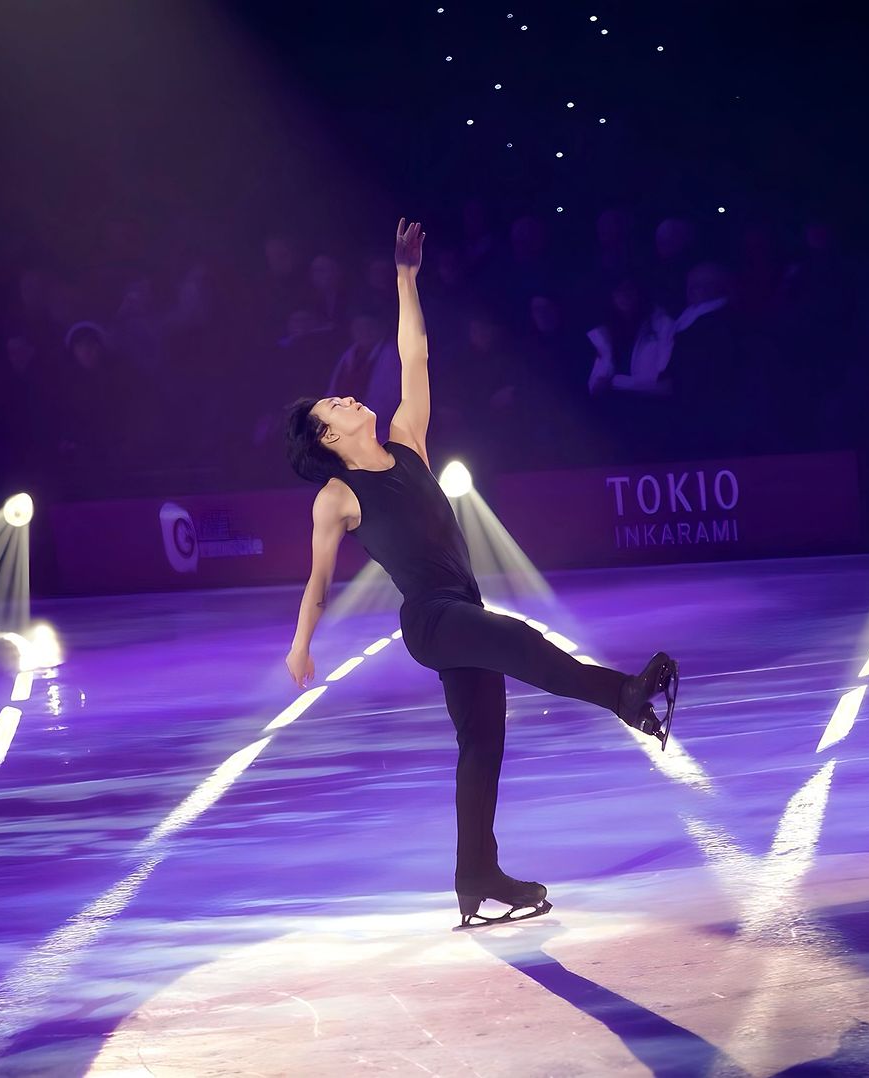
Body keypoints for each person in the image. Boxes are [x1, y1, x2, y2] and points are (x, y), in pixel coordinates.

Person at [283, 219, 679, 929]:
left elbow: (416, 356)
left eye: (341, 396)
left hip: (460, 606)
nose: (345, 399)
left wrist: (406, 279)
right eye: (333, 407)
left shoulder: (407, 441)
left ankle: (477, 874)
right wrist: (300, 644)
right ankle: (623, 696)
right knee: (521, 644)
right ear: (328, 439)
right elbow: (317, 584)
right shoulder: (335, 498)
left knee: (483, 744)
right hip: (433, 621)